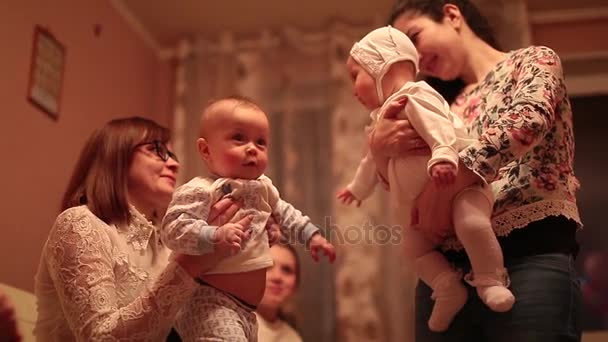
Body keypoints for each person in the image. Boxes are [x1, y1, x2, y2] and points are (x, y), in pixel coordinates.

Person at [368, 0, 582, 341]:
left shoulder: (532, 60)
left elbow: (528, 121)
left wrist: (447, 187)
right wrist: (380, 150)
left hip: (531, 256)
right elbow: (405, 183)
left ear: (452, 16)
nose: (415, 57)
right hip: (446, 275)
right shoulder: (436, 104)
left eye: (415, 36)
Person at [336, 25, 514, 332]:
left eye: (356, 75)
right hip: (422, 211)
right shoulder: (380, 120)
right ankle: (447, 287)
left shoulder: (415, 94)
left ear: (382, 66)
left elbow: (437, 127)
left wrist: (443, 153)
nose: (353, 88)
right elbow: (371, 160)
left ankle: (490, 279)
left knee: (471, 223)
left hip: (460, 188)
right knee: (410, 248)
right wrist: (358, 188)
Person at [33, 117, 263, 341]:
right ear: (116, 155)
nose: (174, 163)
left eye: (172, 154)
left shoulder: (167, 247)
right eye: (157, 151)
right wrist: (192, 263)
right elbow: (99, 337)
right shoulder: (80, 224)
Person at [161, 96, 336, 341]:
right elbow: (173, 230)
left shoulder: (263, 187)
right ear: (205, 149)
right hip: (210, 301)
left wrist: (311, 236)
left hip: (247, 311)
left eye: (261, 142)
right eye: (239, 138)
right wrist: (214, 235)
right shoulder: (201, 190)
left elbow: (286, 212)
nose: (252, 148)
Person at [255, 244, 304, 342]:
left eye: (287, 270)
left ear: (295, 285)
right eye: (267, 266)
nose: (277, 277)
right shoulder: (229, 323)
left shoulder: (293, 338)